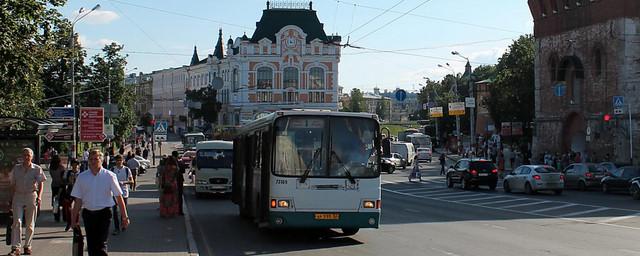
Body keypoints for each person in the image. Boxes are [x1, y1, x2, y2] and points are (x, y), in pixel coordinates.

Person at [71, 149, 129, 256]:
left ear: (101, 160)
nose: (93, 161)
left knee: (101, 244)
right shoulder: (82, 177)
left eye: (96, 159)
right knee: (92, 245)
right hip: (88, 214)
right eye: (91, 159)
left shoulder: (109, 176)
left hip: (104, 214)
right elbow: (78, 200)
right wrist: (73, 219)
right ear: (88, 161)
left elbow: (118, 196)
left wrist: (125, 216)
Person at [8, 148, 46, 256]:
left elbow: (41, 183)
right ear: (22, 156)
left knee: (30, 223)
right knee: (17, 222)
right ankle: (16, 247)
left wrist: (39, 197)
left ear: (32, 157)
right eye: (24, 155)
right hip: (18, 196)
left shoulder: (36, 169)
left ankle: (27, 246)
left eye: (28, 155)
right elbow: (12, 184)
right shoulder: (16, 168)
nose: (26, 157)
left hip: (31, 195)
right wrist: (11, 198)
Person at [109, 155, 133, 235]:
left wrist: (124, 182)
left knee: (123, 210)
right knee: (115, 211)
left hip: (124, 192)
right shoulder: (112, 169)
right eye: (117, 160)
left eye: (120, 160)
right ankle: (116, 228)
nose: (119, 162)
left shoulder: (126, 170)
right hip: (114, 193)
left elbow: (131, 181)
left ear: (123, 161)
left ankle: (123, 224)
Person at [61, 158, 80, 231]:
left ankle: (76, 222)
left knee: (77, 208)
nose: (75, 166)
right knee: (68, 209)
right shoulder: (68, 172)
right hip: (70, 191)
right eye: (73, 164)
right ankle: (69, 222)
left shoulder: (81, 173)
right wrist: (69, 182)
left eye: (76, 164)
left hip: (78, 192)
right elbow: (63, 181)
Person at [48, 155, 65, 221]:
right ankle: (64, 217)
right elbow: (63, 177)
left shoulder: (51, 167)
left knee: (55, 202)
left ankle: (56, 217)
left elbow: (52, 176)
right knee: (63, 202)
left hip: (54, 185)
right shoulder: (61, 167)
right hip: (61, 185)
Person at [172, 151, 185, 215]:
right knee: (179, 196)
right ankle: (180, 210)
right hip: (179, 180)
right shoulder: (180, 162)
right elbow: (183, 171)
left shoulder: (169, 162)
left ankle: (172, 210)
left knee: (172, 195)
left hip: (171, 181)